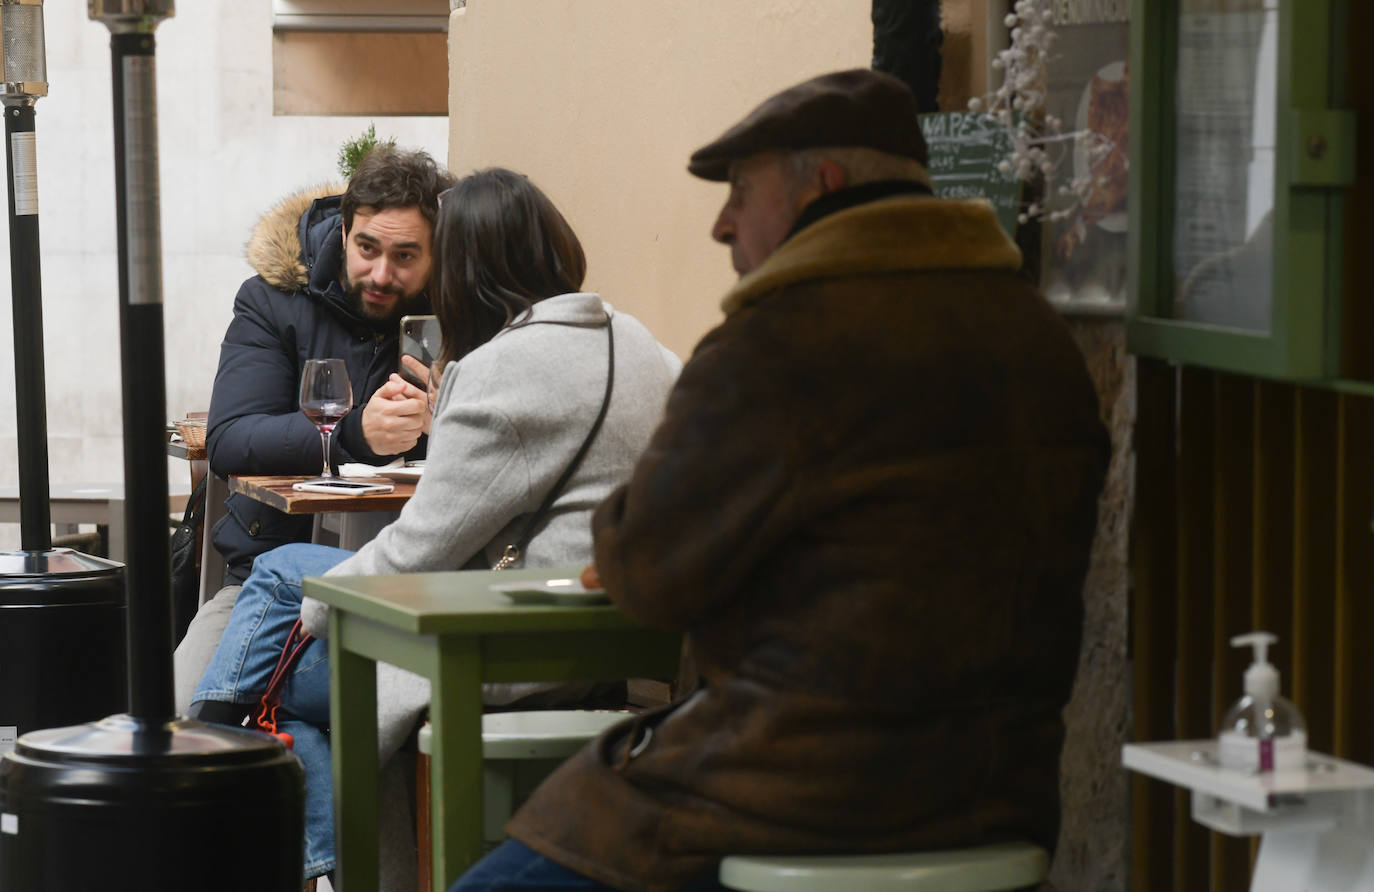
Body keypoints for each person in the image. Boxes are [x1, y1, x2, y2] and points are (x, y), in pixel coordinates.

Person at [452, 69, 1111, 892]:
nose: (723, 224)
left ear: (822, 187)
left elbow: (645, 574)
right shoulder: (1041, 339)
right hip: (997, 798)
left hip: (794, 794)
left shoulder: (777, 342)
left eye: (740, 192)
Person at [190, 167, 682, 884]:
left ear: (465, 272)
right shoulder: (642, 343)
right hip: (612, 624)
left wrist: (320, 614)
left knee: (272, 657)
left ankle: (277, 819)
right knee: (278, 581)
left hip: (510, 640)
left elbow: (418, 552)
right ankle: (290, 824)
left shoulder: (506, 368)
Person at [206, 146, 454, 586]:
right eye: (367, 248)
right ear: (343, 233)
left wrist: (448, 423)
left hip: (417, 576)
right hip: (272, 574)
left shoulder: (458, 312)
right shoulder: (273, 300)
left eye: (405, 256)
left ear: (435, 255)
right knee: (192, 660)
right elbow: (230, 439)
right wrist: (355, 434)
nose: (380, 273)